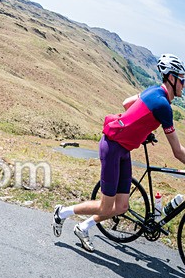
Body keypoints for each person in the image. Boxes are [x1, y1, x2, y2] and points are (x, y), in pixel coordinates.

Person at [52, 53, 185, 252]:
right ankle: (61, 212)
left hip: (123, 149)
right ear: (172, 78)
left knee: (122, 207)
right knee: (106, 206)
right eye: (182, 80)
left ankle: (83, 227)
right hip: (113, 147)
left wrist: (142, 129)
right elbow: (177, 151)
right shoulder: (163, 105)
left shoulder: (154, 91)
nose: (184, 84)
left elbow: (126, 103)